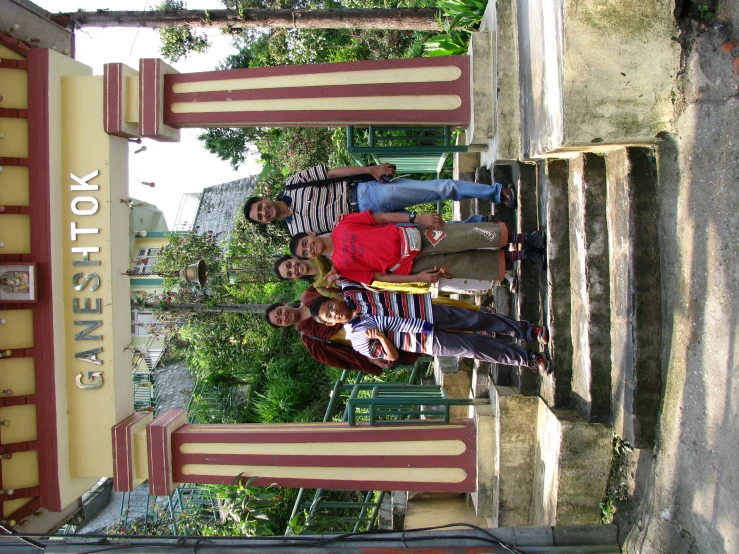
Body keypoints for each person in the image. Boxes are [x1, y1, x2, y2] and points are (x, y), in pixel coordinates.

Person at [310, 282, 552, 375]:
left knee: (476, 320)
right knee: (475, 348)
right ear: (331, 324)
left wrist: (333, 279)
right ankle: (526, 358)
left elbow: (351, 270)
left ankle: (527, 331)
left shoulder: (354, 292)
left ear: (336, 299)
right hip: (423, 341)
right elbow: (392, 357)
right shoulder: (358, 339)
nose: (334, 312)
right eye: (329, 316)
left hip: (426, 310)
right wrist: (383, 338)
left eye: (331, 306)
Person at [244, 163, 516, 236]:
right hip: (370, 224)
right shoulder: (297, 232)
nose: (264, 212)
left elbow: (333, 173)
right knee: (426, 233)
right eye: (260, 217)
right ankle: (481, 224)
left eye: (259, 207)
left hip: (365, 193)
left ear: (264, 198)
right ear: (265, 223)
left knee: (437, 190)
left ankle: (495, 192)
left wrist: (370, 170)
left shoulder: (293, 184)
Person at [289, 210, 544, 286]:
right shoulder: (342, 268)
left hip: (414, 235)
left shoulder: (343, 224)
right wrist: (417, 278)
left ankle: (525, 238)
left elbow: (381, 219)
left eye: (304, 243)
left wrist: (416, 218)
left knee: (464, 235)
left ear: (310, 234)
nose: (308, 249)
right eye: (304, 253)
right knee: (464, 264)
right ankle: (522, 255)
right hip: (411, 264)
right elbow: (380, 277)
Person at [264, 286, 417, 375]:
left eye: (280, 311)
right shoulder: (310, 340)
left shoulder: (311, 293)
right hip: (378, 340)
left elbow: (343, 288)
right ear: (283, 327)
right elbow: (343, 358)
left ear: (283, 304)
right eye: (279, 321)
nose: (283, 316)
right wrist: (370, 359)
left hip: (381, 311)